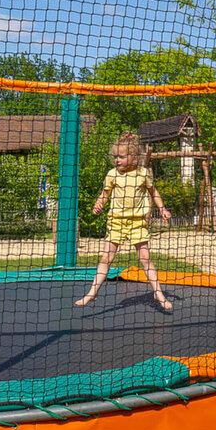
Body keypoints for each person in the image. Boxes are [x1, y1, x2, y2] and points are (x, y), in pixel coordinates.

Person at [75, 132, 174, 310]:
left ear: (134, 157)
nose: (117, 160)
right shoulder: (112, 174)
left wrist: (162, 208)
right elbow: (104, 195)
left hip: (137, 222)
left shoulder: (142, 174)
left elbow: (154, 192)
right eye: (115, 157)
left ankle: (158, 292)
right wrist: (98, 205)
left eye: (121, 157)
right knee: (106, 257)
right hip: (116, 222)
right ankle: (92, 292)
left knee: (145, 258)